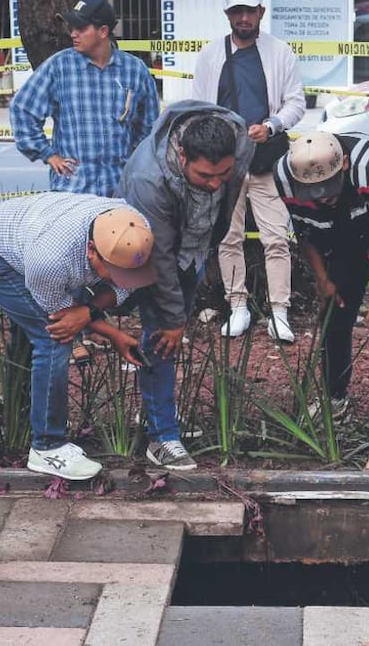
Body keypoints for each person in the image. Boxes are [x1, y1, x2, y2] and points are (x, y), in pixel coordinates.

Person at [0, 192, 158, 481]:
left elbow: (126, 285)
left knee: (32, 334)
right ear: (92, 250)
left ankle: (22, 419)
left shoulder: (136, 230)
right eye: (113, 273)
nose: (120, 281)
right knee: (53, 340)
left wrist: (92, 314)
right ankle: (46, 448)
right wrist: (111, 332)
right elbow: (62, 319)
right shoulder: (51, 260)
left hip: (29, 234)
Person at [274, 131, 369, 472]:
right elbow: (305, 232)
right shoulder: (285, 176)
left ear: (343, 165)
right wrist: (323, 280)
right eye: (314, 194)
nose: (323, 199)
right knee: (335, 314)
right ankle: (336, 398)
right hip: (345, 231)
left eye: (328, 191)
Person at [119, 100, 253, 470]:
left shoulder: (238, 138)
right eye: (205, 176)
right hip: (154, 254)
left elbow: (229, 181)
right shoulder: (148, 180)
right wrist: (175, 318)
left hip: (196, 248)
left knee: (166, 337)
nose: (215, 185)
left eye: (222, 174)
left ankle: (158, 415)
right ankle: (162, 437)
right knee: (161, 334)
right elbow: (157, 258)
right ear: (181, 154)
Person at [191, 0, 305, 343]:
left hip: (266, 159)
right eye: (237, 11)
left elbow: (296, 103)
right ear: (228, 15)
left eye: (250, 10)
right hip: (223, 163)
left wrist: (272, 126)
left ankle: (279, 312)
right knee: (228, 237)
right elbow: (199, 108)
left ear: (261, 13)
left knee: (276, 239)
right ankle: (236, 306)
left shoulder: (279, 52)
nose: (244, 17)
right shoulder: (211, 56)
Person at [10, 0, 160, 196]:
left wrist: (133, 162)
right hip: (72, 192)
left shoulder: (134, 70)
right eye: (72, 28)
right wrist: (48, 154)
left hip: (120, 193)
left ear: (103, 32)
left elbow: (149, 126)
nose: (73, 34)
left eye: (81, 28)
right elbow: (22, 109)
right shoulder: (59, 67)